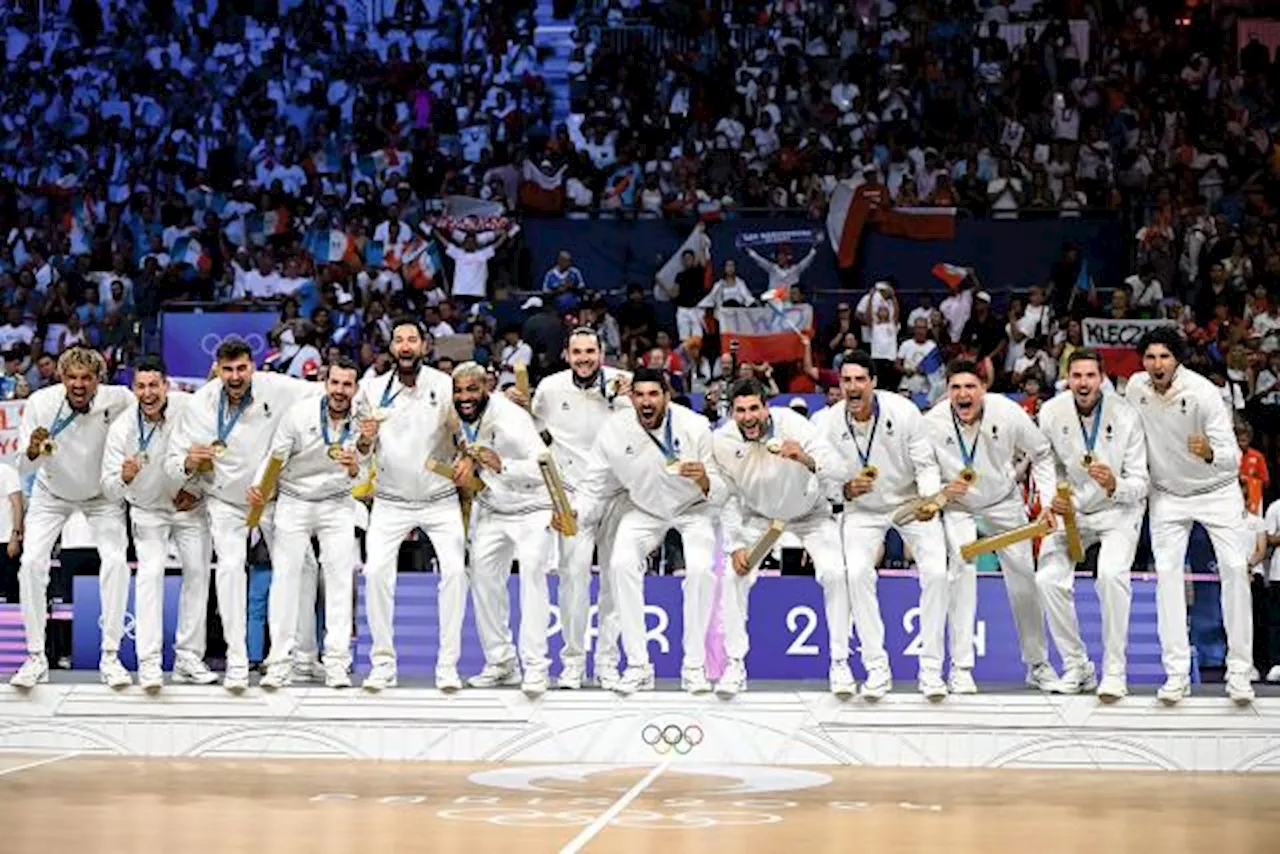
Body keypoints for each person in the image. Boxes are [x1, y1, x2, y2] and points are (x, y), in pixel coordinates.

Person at [165, 338, 322, 692]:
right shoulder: (200, 404)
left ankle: (299, 658)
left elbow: (322, 394)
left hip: (271, 497)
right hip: (224, 500)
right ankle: (237, 661)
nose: (235, 376)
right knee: (231, 569)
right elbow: (173, 464)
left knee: (300, 566)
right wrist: (189, 462)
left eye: (241, 368)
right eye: (228, 370)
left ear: (252, 366)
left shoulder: (278, 388)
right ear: (217, 370)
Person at [575, 368, 727, 695]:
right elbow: (594, 486)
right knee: (620, 564)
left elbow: (722, 489)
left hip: (693, 509)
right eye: (640, 395)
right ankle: (638, 666)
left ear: (666, 397)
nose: (646, 401)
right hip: (644, 509)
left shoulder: (694, 426)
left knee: (701, 569)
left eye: (653, 394)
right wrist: (574, 516)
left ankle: (694, 667)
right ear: (631, 399)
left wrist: (704, 480)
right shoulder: (614, 431)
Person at [1124, 327, 1255, 704]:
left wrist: (1210, 452)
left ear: (1177, 359)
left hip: (1216, 492)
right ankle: (1176, 674)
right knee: (1167, 576)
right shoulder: (1136, 388)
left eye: (1164, 356)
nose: (1157, 364)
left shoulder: (1204, 394)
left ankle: (1240, 673)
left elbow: (1233, 459)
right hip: (1167, 495)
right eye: (1150, 357)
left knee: (1233, 570)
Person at [813, 353, 951, 699]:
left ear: (873, 382)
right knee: (857, 574)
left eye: (860, 379)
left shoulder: (903, 412)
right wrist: (843, 490)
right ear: (839, 385)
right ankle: (876, 668)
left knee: (936, 573)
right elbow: (822, 476)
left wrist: (930, 499)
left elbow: (925, 463)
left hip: (909, 502)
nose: (853, 387)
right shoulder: (826, 423)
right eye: (846, 381)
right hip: (862, 510)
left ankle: (932, 671)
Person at [923, 358, 1059, 694]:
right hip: (958, 506)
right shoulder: (933, 423)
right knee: (962, 572)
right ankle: (961, 668)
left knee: (1024, 581)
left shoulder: (1007, 412)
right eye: (955, 387)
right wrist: (937, 494)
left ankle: (1038, 665)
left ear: (984, 389)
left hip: (1003, 501)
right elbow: (922, 466)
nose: (963, 394)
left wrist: (1048, 500)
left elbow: (1041, 452)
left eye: (970, 387)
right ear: (947, 391)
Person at [712, 378, 847, 697]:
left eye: (754, 408)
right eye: (740, 410)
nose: (748, 417)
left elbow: (839, 470)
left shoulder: (793, 424)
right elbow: (726, 497)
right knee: (734, 575)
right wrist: (735, 545)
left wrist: (805, 458)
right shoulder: (722, 441)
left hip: (809, 513)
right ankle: (734, 664)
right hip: (759, 517)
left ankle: (840, 663)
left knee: (835, 574)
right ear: (732, 412)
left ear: (766, 407)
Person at [10, 347, 134, 689]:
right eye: (71, 377)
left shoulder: (120, 398)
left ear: (99, 379)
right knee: (31, 564)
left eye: (86, 378)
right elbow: (23, 466)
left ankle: (110, 656)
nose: (79, 385)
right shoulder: (41, 403)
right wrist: (33, 449)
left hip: (102, 496)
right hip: (52, 495)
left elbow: (151, 415)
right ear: (60, 378)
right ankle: (36, 657)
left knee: (115, 562)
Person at [516, 327, 631, 689]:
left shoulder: (623, 384)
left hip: (617, 492)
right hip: (571, 495)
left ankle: (608, 662)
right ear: (567, 354)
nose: (584, 358)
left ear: (602, 352)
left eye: (590, 351)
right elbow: (532, 429)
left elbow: (645, 424)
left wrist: (621, 398)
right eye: (577, 351)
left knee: (615, 578)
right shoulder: (550, 388)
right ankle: (572, 663)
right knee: (573, 577)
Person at [352, 319, 461, 692]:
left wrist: (467, 456)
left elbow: (464, 432)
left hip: (440, 499)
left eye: (412, 340)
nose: (405, 346)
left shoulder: (444, 386)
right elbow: (359, 450)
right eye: (399, 340)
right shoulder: (370, 389)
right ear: (391, 348)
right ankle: (382, 664)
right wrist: (365, 442)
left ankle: (447, 666)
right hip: (391, 501)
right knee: (376, 573)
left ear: (424, 346)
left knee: (455, 574)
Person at [1036, 349, 1149, 701]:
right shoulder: (1052, 411)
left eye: (1090, 376)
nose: (1083, 383)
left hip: (1120, 511)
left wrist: (1115, 485)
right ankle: (1077, 666)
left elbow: (1141, 483)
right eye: (1076, 376)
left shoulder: (1126, 415)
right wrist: (1050, 498)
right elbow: (1046, 463)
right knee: (1047, 579)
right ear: (1068, 379)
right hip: (1074, 511)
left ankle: (1114, 671)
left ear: (1102, 379)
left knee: (1111, 575)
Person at [251, 357, 366, 690]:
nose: (340, 391)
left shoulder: (363, 422)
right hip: (294, 501)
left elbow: (368, 464)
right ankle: (279, 662)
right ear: (325, 384)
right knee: (285, 580)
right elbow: (275, 458)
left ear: (355, 389)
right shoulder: (299, 416)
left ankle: (336, 664)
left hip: (337, 504)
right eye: (335, 383)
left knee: (339, 582)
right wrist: (260, 491)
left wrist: (356, 465)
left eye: (347, 385)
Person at [99, 356, 208, 692]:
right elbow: (107, 486)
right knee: (150, 575)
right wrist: (124, 477)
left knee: (198, 574)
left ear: (166, 386)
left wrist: (197, 490)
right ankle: (149, 663)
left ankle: (189, 657)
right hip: (147, 511)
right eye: (141, 387)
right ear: (134, 390)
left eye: (153, 385)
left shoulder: (189, 409)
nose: (148, 393)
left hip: (189, 508)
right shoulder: (122, 429)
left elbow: (214, 452)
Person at [451, 362, 555, 696]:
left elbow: (544, 466)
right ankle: (501, 662)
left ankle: (536, 666)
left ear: (487, 388)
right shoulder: (459, 418)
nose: (465, 397)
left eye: (472, 390)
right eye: (459, 391)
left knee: (532, 577)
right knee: (482, 578)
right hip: (493, 506)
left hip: (531, 507)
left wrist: (503, 465)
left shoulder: (511, 418)